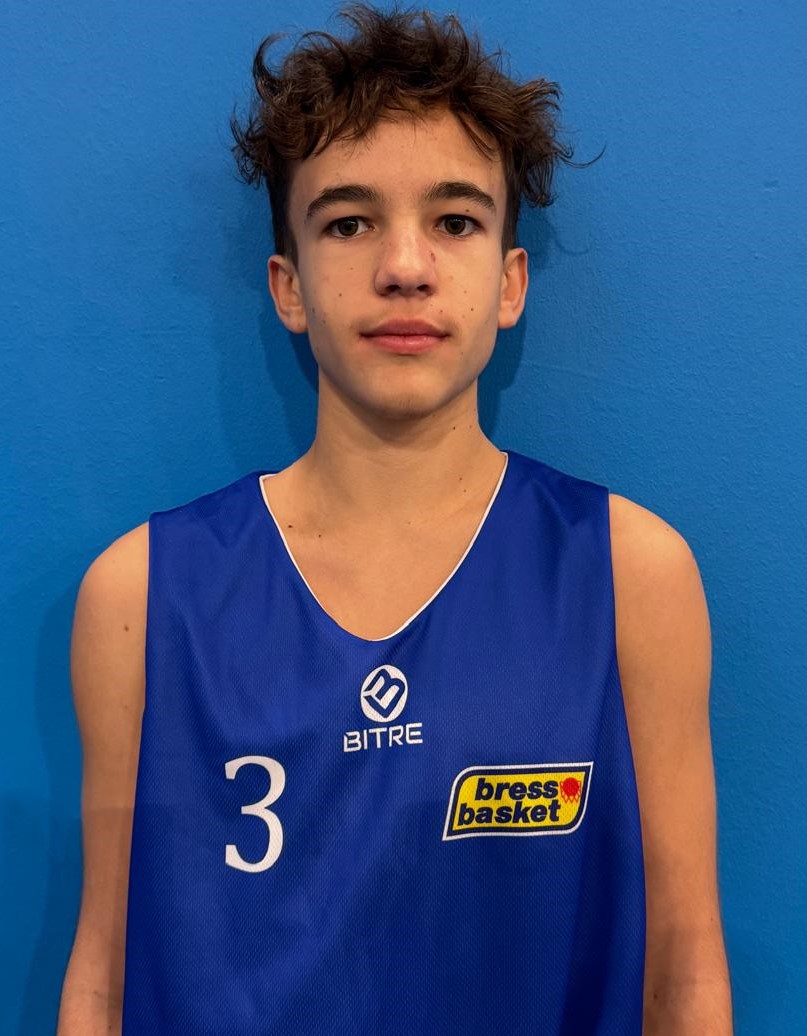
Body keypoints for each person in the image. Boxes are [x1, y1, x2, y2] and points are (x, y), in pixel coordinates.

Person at [57, 4, 733, 1033]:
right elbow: (104, 973)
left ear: (509, 283)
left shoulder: (630, 573)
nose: (405, 266)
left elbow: (682, 969)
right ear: (289, 288)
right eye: (348, 222)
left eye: (455, 221)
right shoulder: (142, 592)